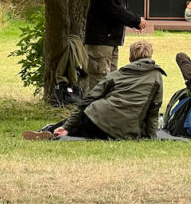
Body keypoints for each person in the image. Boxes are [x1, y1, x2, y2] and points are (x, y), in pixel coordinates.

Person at [23, 41, 166, 141]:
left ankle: (52, 130)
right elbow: (153, 111)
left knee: (75, 125)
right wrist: (151, 136)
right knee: (78, 129)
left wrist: (68, 124)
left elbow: (88, 100)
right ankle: (58, 131)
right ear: (150, 56)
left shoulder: (117, 75)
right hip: (123, 130)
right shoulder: (157, 77)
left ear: (130, 57)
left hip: (96, 117)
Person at [83, 0, 148, 93]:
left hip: (111, 40)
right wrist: (137, 20)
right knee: (99, 84)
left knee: (111, 83)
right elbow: (115, 9)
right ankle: (92, 115)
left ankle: (106, 114)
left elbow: (120, 9)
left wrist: (133, 22)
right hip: (101, 41)